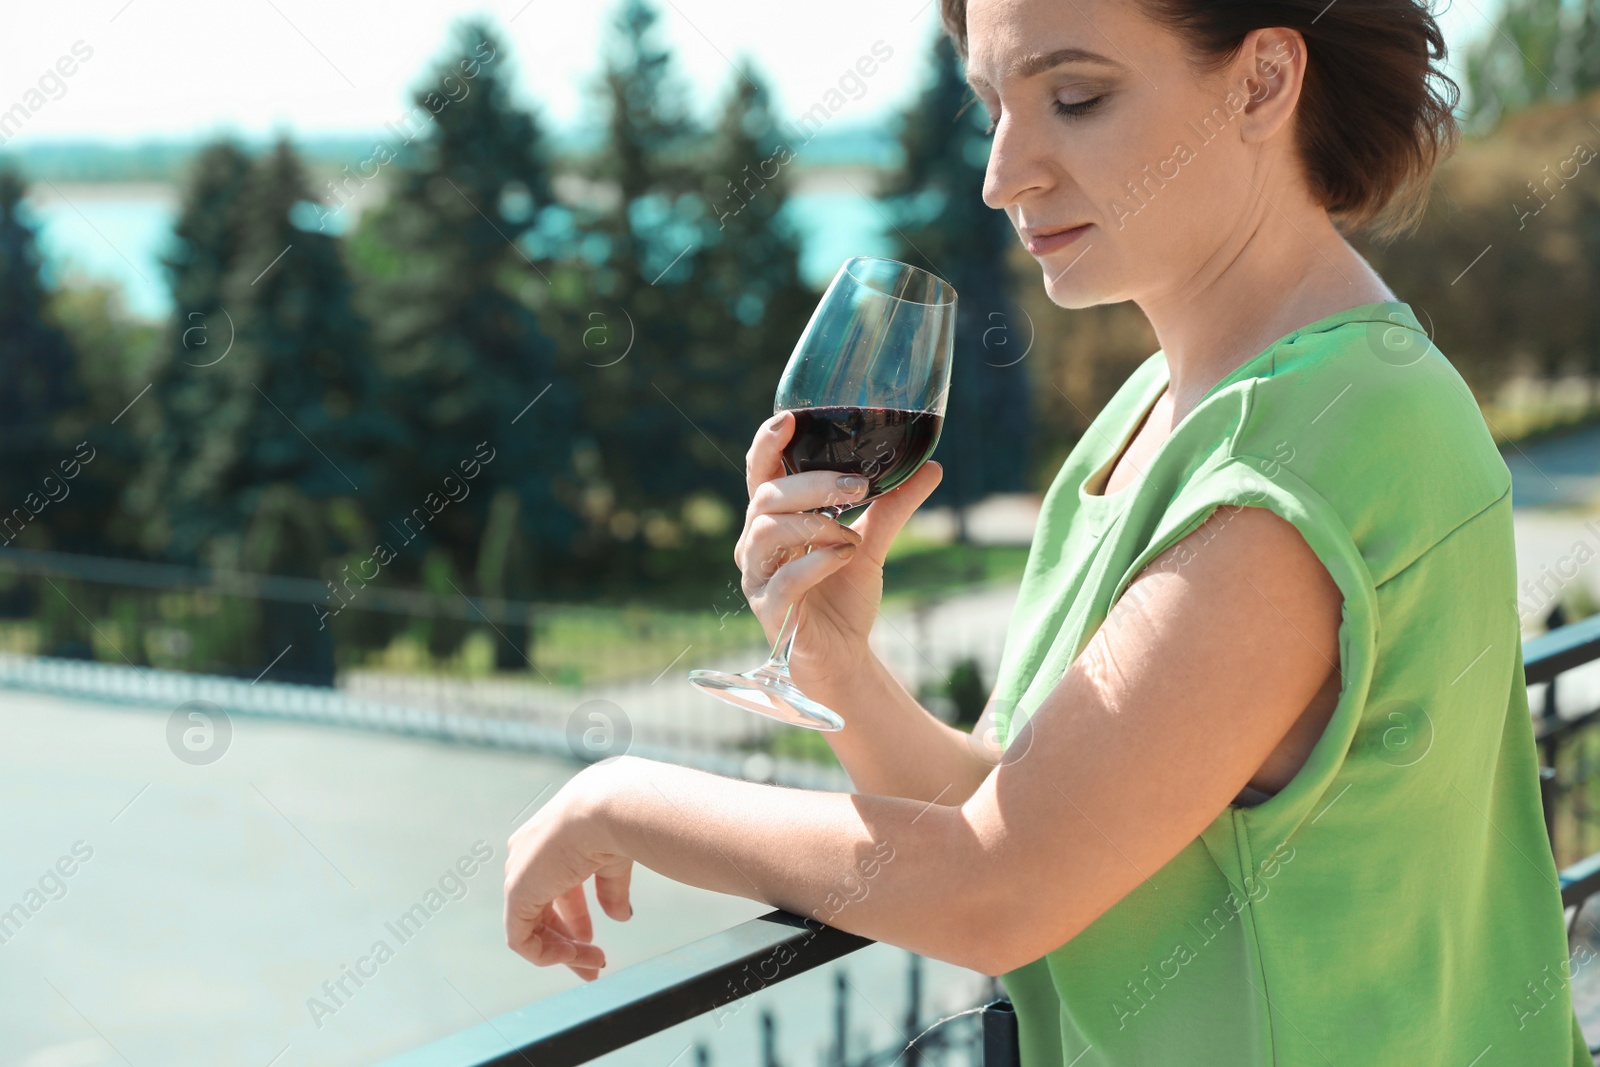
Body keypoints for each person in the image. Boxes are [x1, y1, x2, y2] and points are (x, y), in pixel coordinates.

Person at [502, 0, 1588, 1062]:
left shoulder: (1321, 443)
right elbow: (1020, 802)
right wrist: (836, 657)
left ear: (1262, 80)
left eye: (1074, 97)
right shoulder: (1152, 412)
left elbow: (998, 886)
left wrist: (622, 799)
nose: (1002, 173)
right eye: (993, 105)